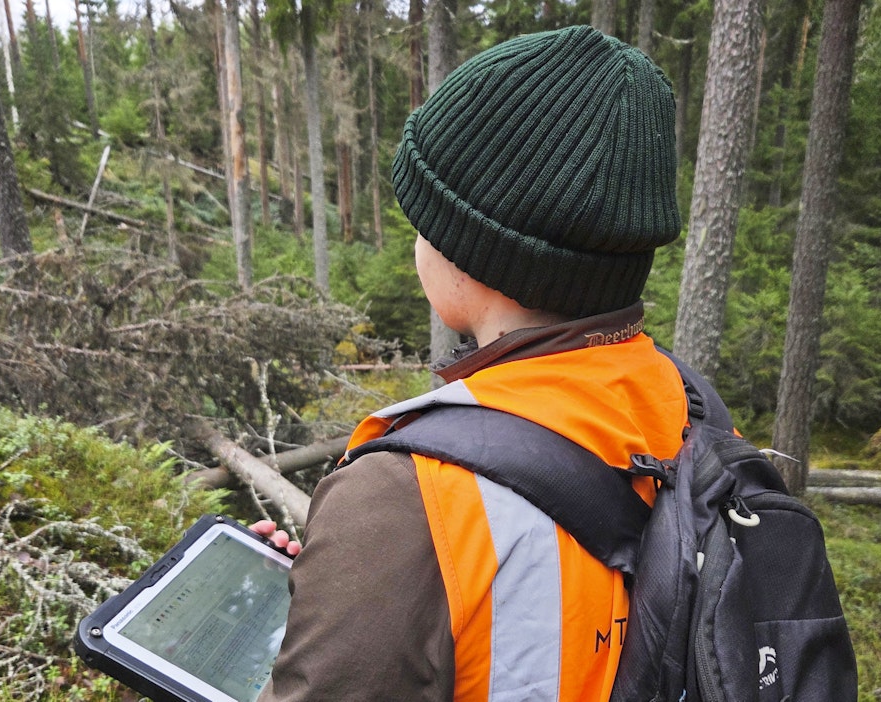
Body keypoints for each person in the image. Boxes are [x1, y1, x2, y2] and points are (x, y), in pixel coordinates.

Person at [254, 24, 688, 701]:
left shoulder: (406, 498)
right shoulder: (683, 406)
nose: (418, 240)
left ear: (474, 253)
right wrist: (349, 585)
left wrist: (372, 555)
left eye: (424, 220)